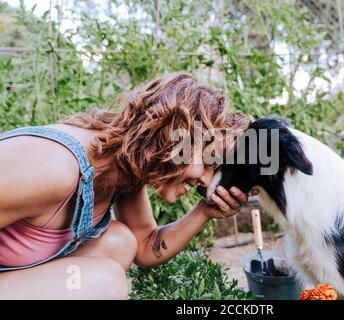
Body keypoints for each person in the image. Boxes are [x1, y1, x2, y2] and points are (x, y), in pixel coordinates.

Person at [0, 72, 251, 299]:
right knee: (105, 283)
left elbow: (145, 248)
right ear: (173, 137)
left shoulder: (123, 173)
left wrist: (205, 211)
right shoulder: (52, 166)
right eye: (207, 162)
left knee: (120, 242)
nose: (207, 181)